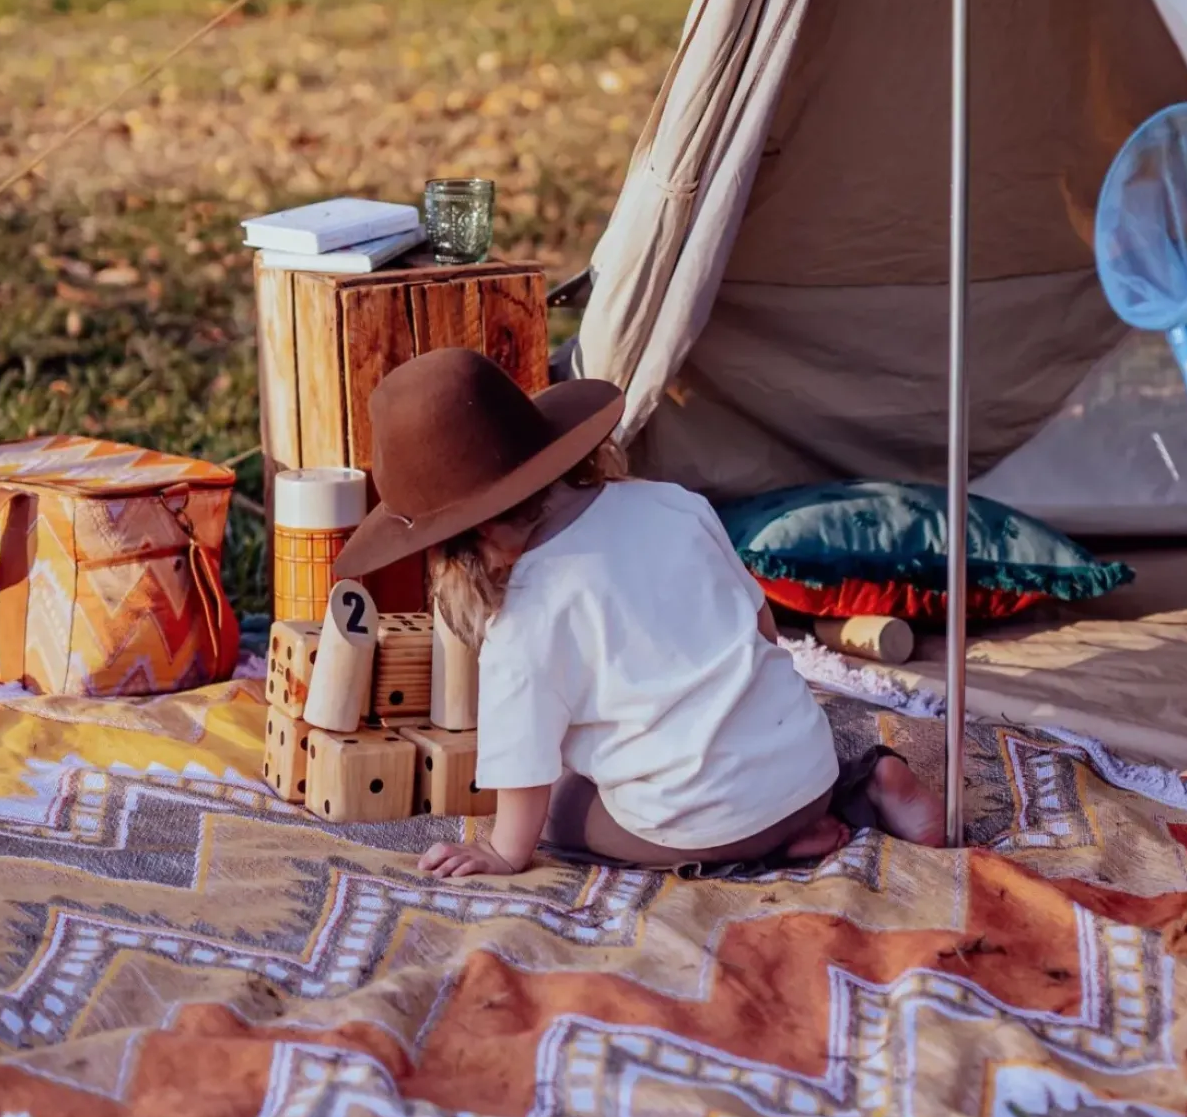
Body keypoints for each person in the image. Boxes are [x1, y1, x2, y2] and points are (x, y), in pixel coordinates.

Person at [333, 349, 945, 878]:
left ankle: (759, 845)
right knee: (754, 737)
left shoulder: (524, 620)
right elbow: (761, 630)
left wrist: (503, 850)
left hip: (700, 814)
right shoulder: (673, 504)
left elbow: (524, 765)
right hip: (804, 767)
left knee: (566, 813)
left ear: (471, 539)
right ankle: (852, 792)